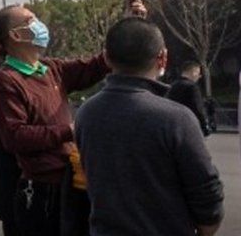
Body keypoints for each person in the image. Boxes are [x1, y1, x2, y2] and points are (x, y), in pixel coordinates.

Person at [0, 0, 145, 236]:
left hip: (70, 182)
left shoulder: (51, 69)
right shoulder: (7, 80)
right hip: (43, 191)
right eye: (31, 21)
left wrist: (129, 25)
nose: (39, 24)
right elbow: (15, 136)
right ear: (16, 35)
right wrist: (69, 130)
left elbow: (98, 65)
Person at [75, 17, 224, 235]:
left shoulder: (86, 113)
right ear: (162, 58)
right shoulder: (176, 118)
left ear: (106, 57)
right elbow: (206, 192)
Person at [167, 61, 211, 136]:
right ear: (193, 72)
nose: (199, 76)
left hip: (173, 125)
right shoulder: (192, 87)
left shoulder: (172, 86)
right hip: (189, 126)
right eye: (198, 73)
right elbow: (198, 108)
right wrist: (205, 126)